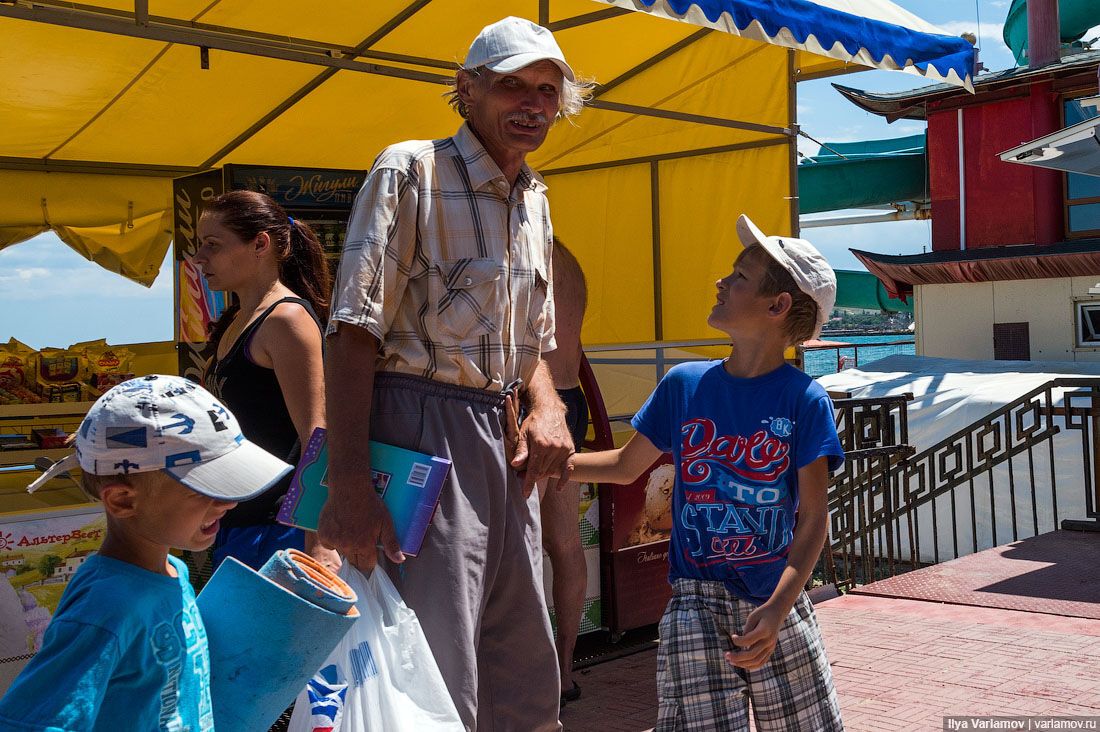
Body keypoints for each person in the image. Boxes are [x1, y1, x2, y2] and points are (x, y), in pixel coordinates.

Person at [318, 16, 592, 731]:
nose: (532, 104)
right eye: (512, 86)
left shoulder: (535, 196)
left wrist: (549, 405)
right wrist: (346, 482)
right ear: (466, 90)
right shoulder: (410, 169)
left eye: (546, 90)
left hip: (502, 437)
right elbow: (351, 332)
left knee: (521, 663)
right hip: (418, 427)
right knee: (436, 669)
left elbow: (532, 342)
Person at [561, 215, 845, 730]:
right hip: (694, 599)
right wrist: (551, 464)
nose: (721, 281)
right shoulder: (684, 385)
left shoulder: (806, 400)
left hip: (776, 598)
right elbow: (627, 468)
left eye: (739, 276)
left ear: (778, 306)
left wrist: (780, 608)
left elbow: (813, 520)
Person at [0, 375, 293, 731]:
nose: (229, 502)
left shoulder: (172, 571)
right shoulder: (107, 606)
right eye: (206, 488)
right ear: (123, 500)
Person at [196, 190, 339, 572]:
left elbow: (318, 433)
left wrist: (318, 539)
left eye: (212, 245)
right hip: (239, 521)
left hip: (279, 530)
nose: (199, 258)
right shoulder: (236, 320)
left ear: (260, 243)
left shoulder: (285, 320)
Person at [540, 238, 589, 707]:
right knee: (565, 543)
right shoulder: (570, 263)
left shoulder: (527, 249)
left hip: (533, 407)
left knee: (512, 542)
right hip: (569, 400)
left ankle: (525, 668)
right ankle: (564, 669)